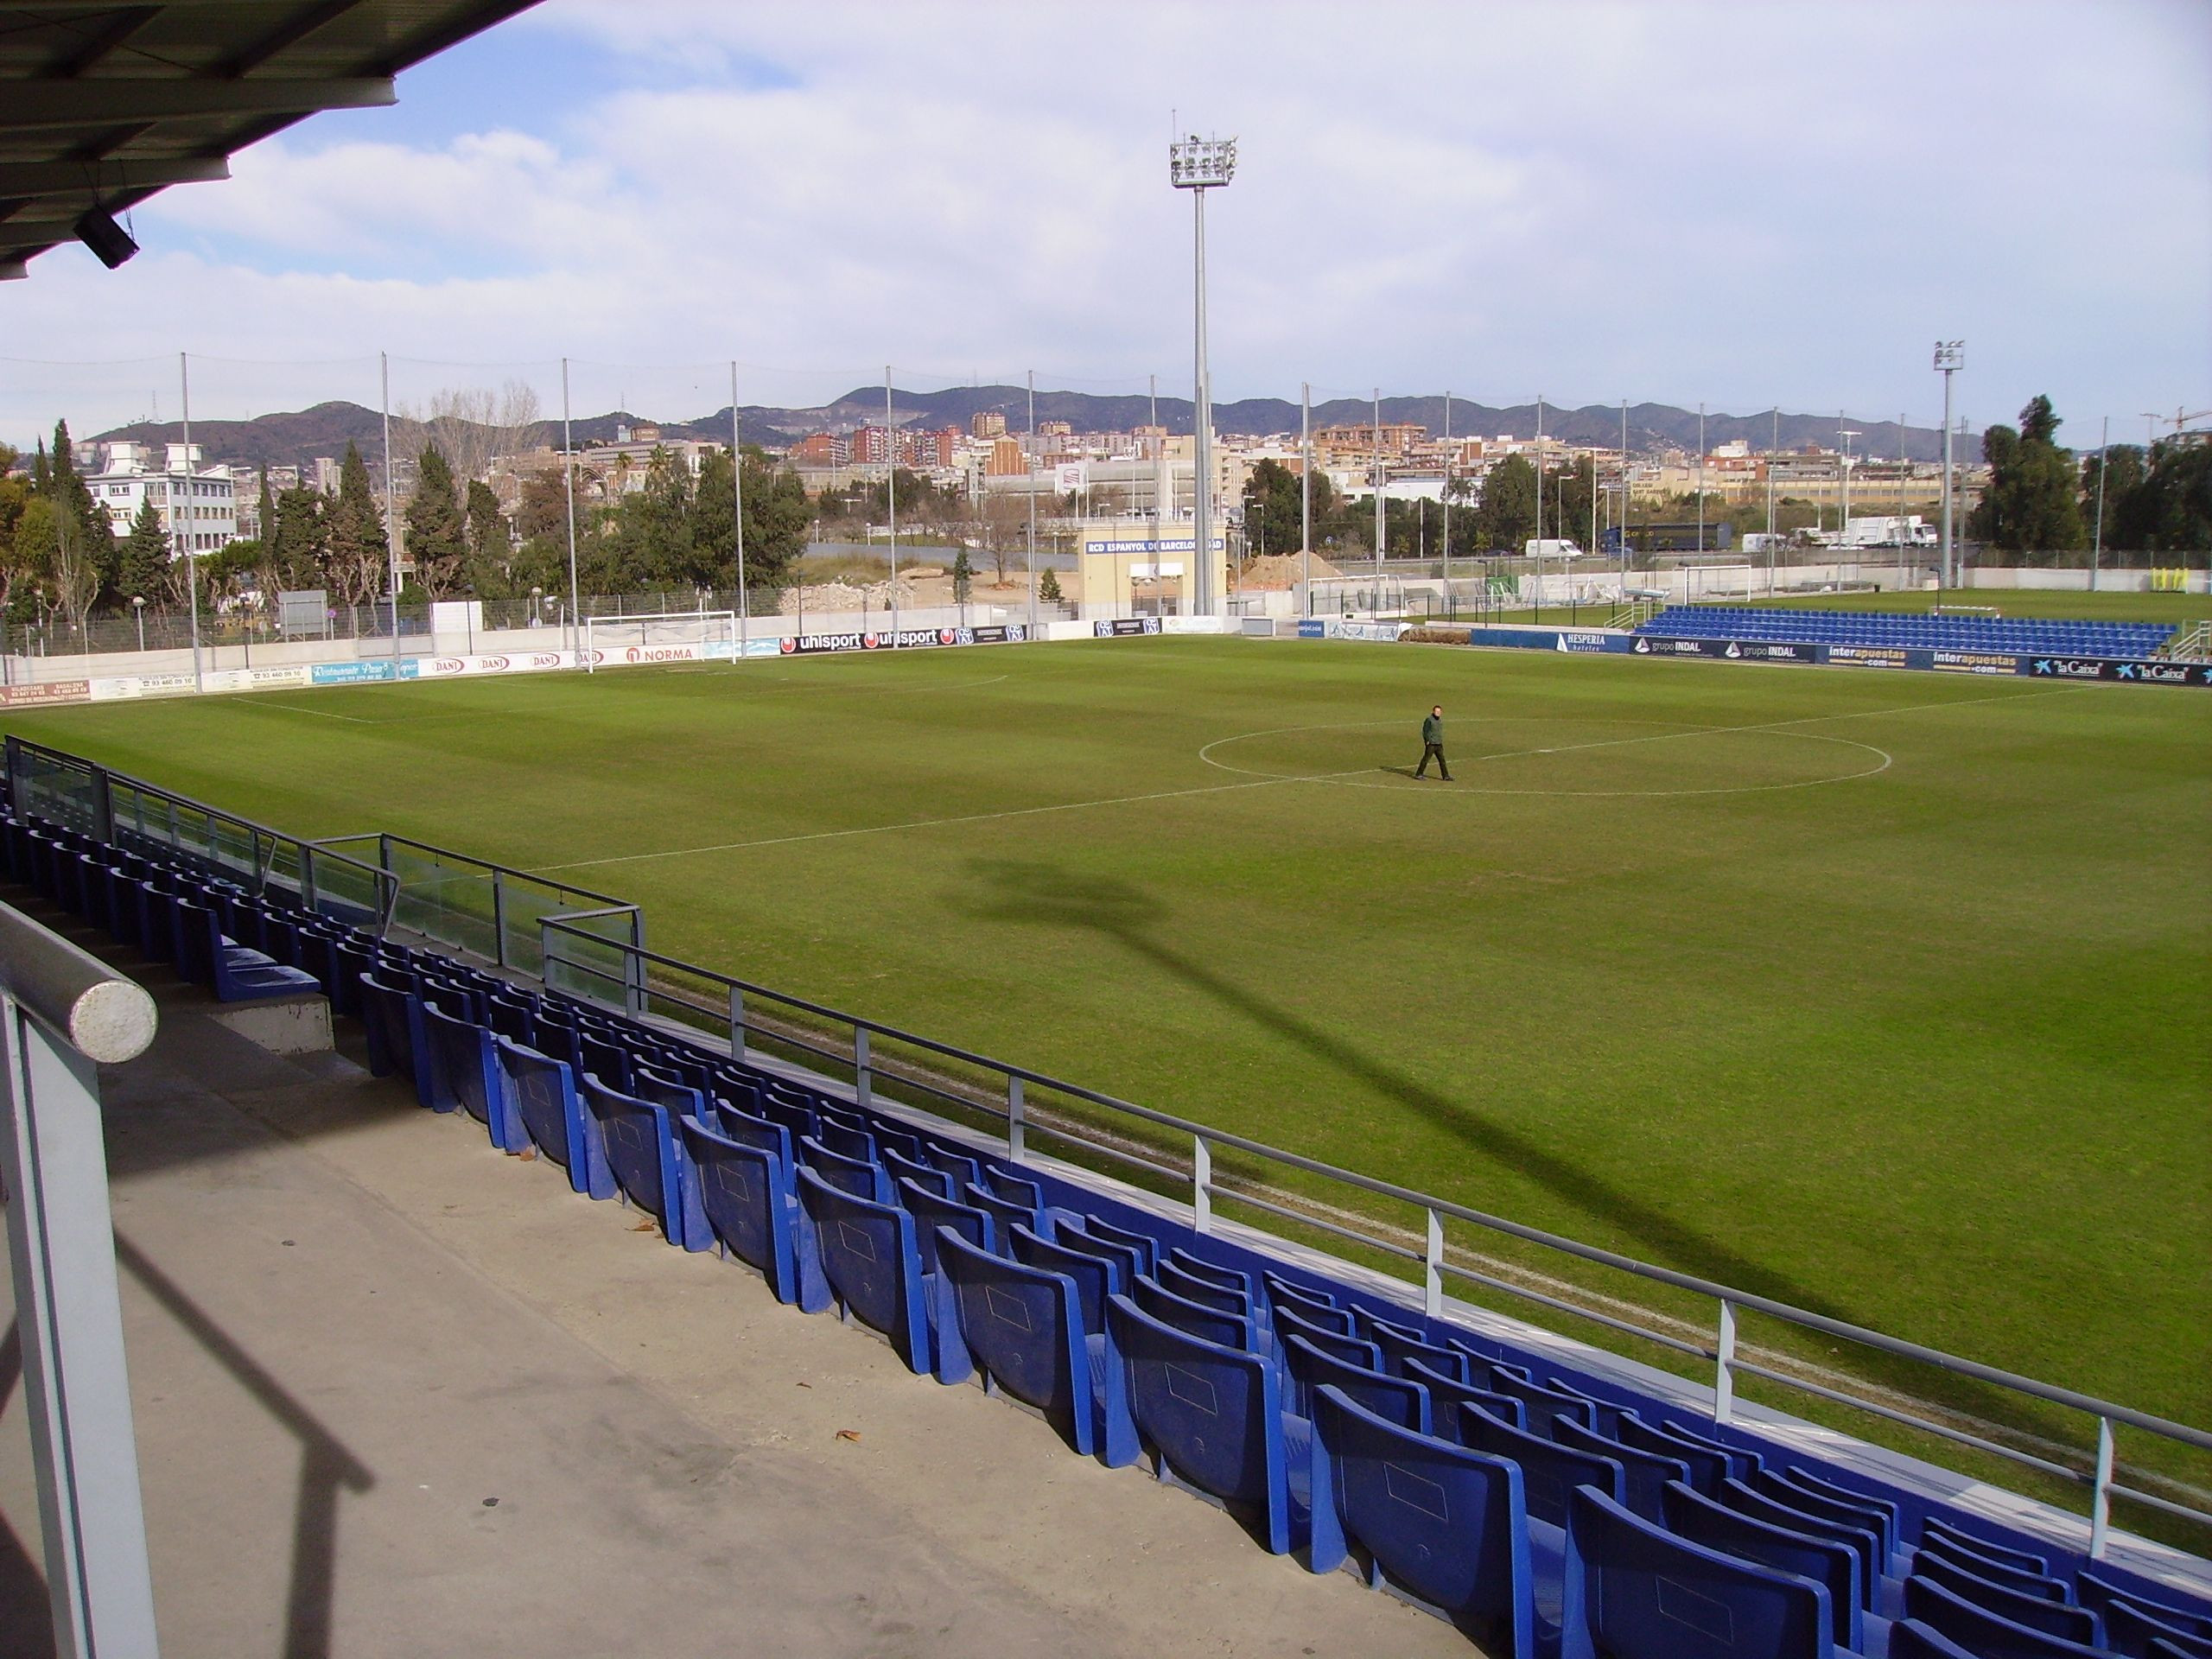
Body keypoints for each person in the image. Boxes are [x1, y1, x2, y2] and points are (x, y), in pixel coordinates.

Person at [1415, 704, 1452, 780]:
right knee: (1426, 759)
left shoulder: (1439, 720)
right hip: (1431, 744)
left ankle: (1445, 776)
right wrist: (1427, 741)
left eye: (1439, 711)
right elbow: (1425, 731)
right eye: (1436, 711)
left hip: (1438, 743)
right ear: (1433, 711)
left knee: (1442, 760)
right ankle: (1419, 774)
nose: (1438, 713)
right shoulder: (1429, 720)